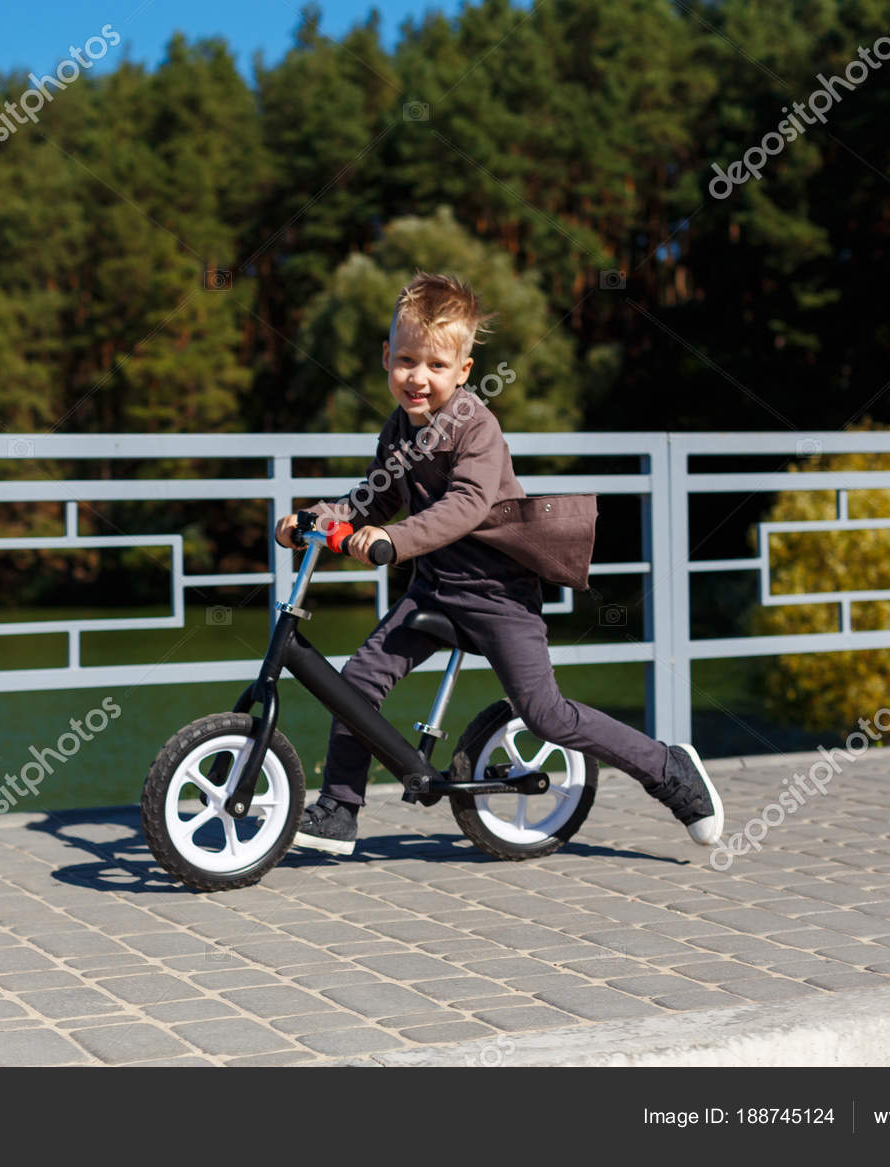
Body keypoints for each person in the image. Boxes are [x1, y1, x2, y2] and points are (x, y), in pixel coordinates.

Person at [274, 272, 723, 856]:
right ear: (386, 357)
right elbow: (372, 499)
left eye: (437, 366)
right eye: (407, 360)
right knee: (357, 682)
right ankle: (339, 809)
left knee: (546, 715)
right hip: (434, 589)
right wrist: (312, 518)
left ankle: (667, 768)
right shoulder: (396, 432)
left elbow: (466, 505)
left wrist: (392, 541)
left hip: (499, 593)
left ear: (462, 371)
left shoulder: (476, 428)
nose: (418, 378)